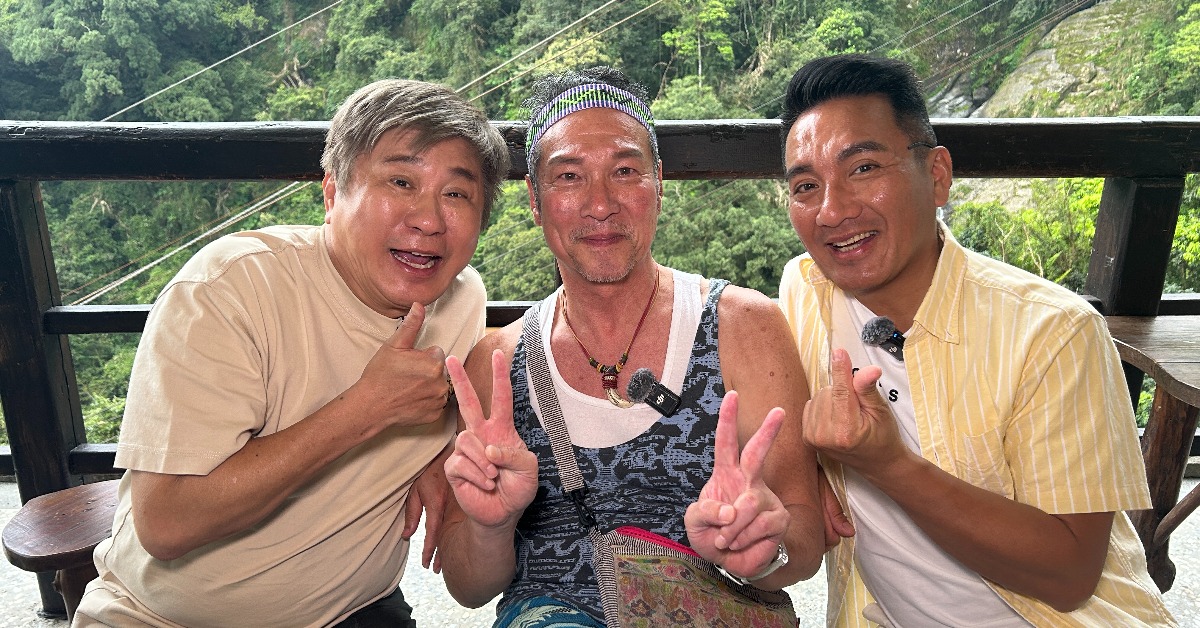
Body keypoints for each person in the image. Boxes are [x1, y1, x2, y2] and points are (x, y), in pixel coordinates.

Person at [72, 79, 510, 627]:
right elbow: (166, 524)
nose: (429, 219)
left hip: (355, 610)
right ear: (332, 193)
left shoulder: (462, 299)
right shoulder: (227, 290)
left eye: (457, 194)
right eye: (401, 181)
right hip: (162, 618)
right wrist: (364, 410)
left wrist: (437, 455)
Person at [777, 53, 1176, 626]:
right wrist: (810, 475)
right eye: (806, 186)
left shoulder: (1052, 332)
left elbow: (1069, 575)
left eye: (863, 168)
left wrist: (887, 466)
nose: (832, 210)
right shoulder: (805, 291)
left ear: (937, 175)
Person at [436, 66, 826, 627]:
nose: (601, 204)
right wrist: (491, 526)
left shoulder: (743, 328)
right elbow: (468, 587)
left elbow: (804, 544)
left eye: (624, 171)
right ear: (535, 200)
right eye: (569, 177)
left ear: (658, 182)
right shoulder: (497, 365)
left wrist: (763, 551)